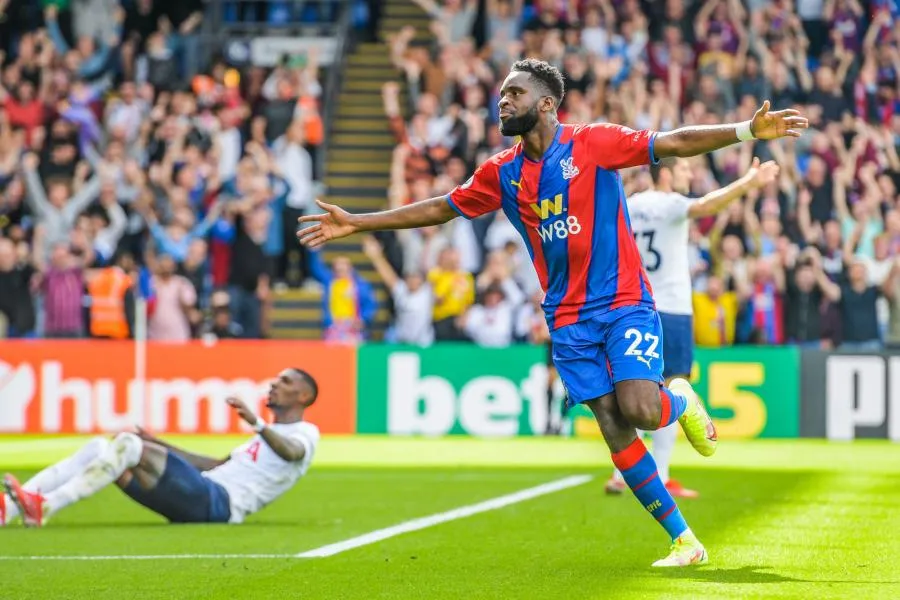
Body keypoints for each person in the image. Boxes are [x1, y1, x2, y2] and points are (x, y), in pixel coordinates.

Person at [297, 58, 807, 566]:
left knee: (641, 409)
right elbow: (440, 208)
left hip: (624, 300)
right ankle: (683, 540)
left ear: (545, 104)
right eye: (501, 94)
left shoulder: (592, 143)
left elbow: (670, 142)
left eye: (513, 93)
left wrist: (746, 132)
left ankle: (679, 402)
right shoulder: (501, 173)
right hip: (566, 318)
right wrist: (359, 224)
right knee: (612, 425)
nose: (503, 101)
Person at [606, 156, 780, 499]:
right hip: (670, 309)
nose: (690, 175)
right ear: (667, 174)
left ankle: (619, 473)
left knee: (634, 388)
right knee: (672, 388)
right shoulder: (671, 203)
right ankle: (663, 474)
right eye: (685, 170)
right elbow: (705, 205)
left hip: (634, 307)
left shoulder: (632, 204)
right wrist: (748, 182)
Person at [2, 368, 320, 527]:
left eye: (286, 382)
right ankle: (10, 509)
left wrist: (257, 423)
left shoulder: (305, 433)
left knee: (127, 444)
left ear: (303, 397)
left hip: (218, 505)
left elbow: (291, 453)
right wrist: (158, 444)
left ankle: (46, 507)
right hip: (200, 492)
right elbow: (212, 465)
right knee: (100, 447)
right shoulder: (268, 435)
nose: (275, 384)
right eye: (277, 380)